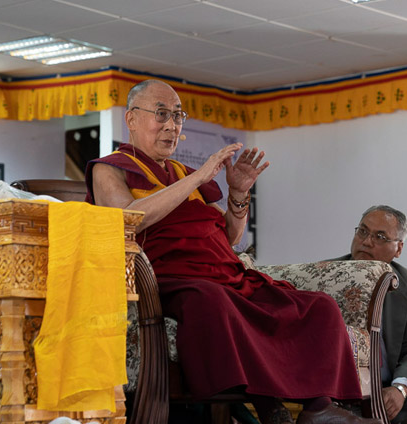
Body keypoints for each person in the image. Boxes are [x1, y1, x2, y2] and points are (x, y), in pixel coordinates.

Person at [86, 79, 380, 424]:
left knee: (318, 307)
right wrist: (197, 180)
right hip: (170, 278)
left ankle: (319, 408)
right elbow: (126, 221)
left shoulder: (182, 173)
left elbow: (229, 239)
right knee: (213, 301)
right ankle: (269, 404)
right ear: (132, 118)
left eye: (178, 116)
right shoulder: (111, 168)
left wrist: (238, 193)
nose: (171, 125)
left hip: (225, 273)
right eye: (161, 114)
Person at [333, 205, 407, 424]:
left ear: (398, 249)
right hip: (339, 383)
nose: (366, 241)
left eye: (380, 236)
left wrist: (399, 390)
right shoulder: (329, 274)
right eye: (362, 231)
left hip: (386, 383)